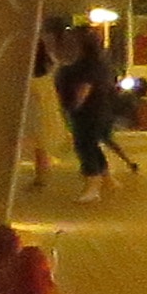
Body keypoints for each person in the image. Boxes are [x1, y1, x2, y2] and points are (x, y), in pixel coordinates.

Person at [52, 28, 122, 190]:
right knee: (91, 144)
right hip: (97, 109)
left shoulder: (86, 65)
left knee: (85, 145)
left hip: (88, 110)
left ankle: (93, 185)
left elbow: (85, 87)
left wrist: (75, 105)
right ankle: (107, 179)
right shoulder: (97, 62)